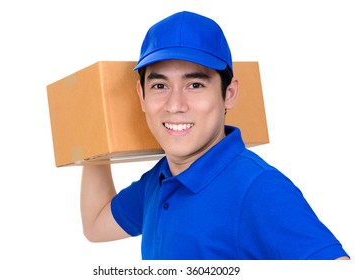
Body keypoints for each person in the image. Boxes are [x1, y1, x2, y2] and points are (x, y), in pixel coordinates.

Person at [80, 11, 349, 260]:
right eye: (160, 85)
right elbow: (96, 226)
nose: (175, 105)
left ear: (228, 94)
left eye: (195, 84)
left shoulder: (259, 189)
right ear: (141, 96)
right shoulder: (160, 182)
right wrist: (94, 131)